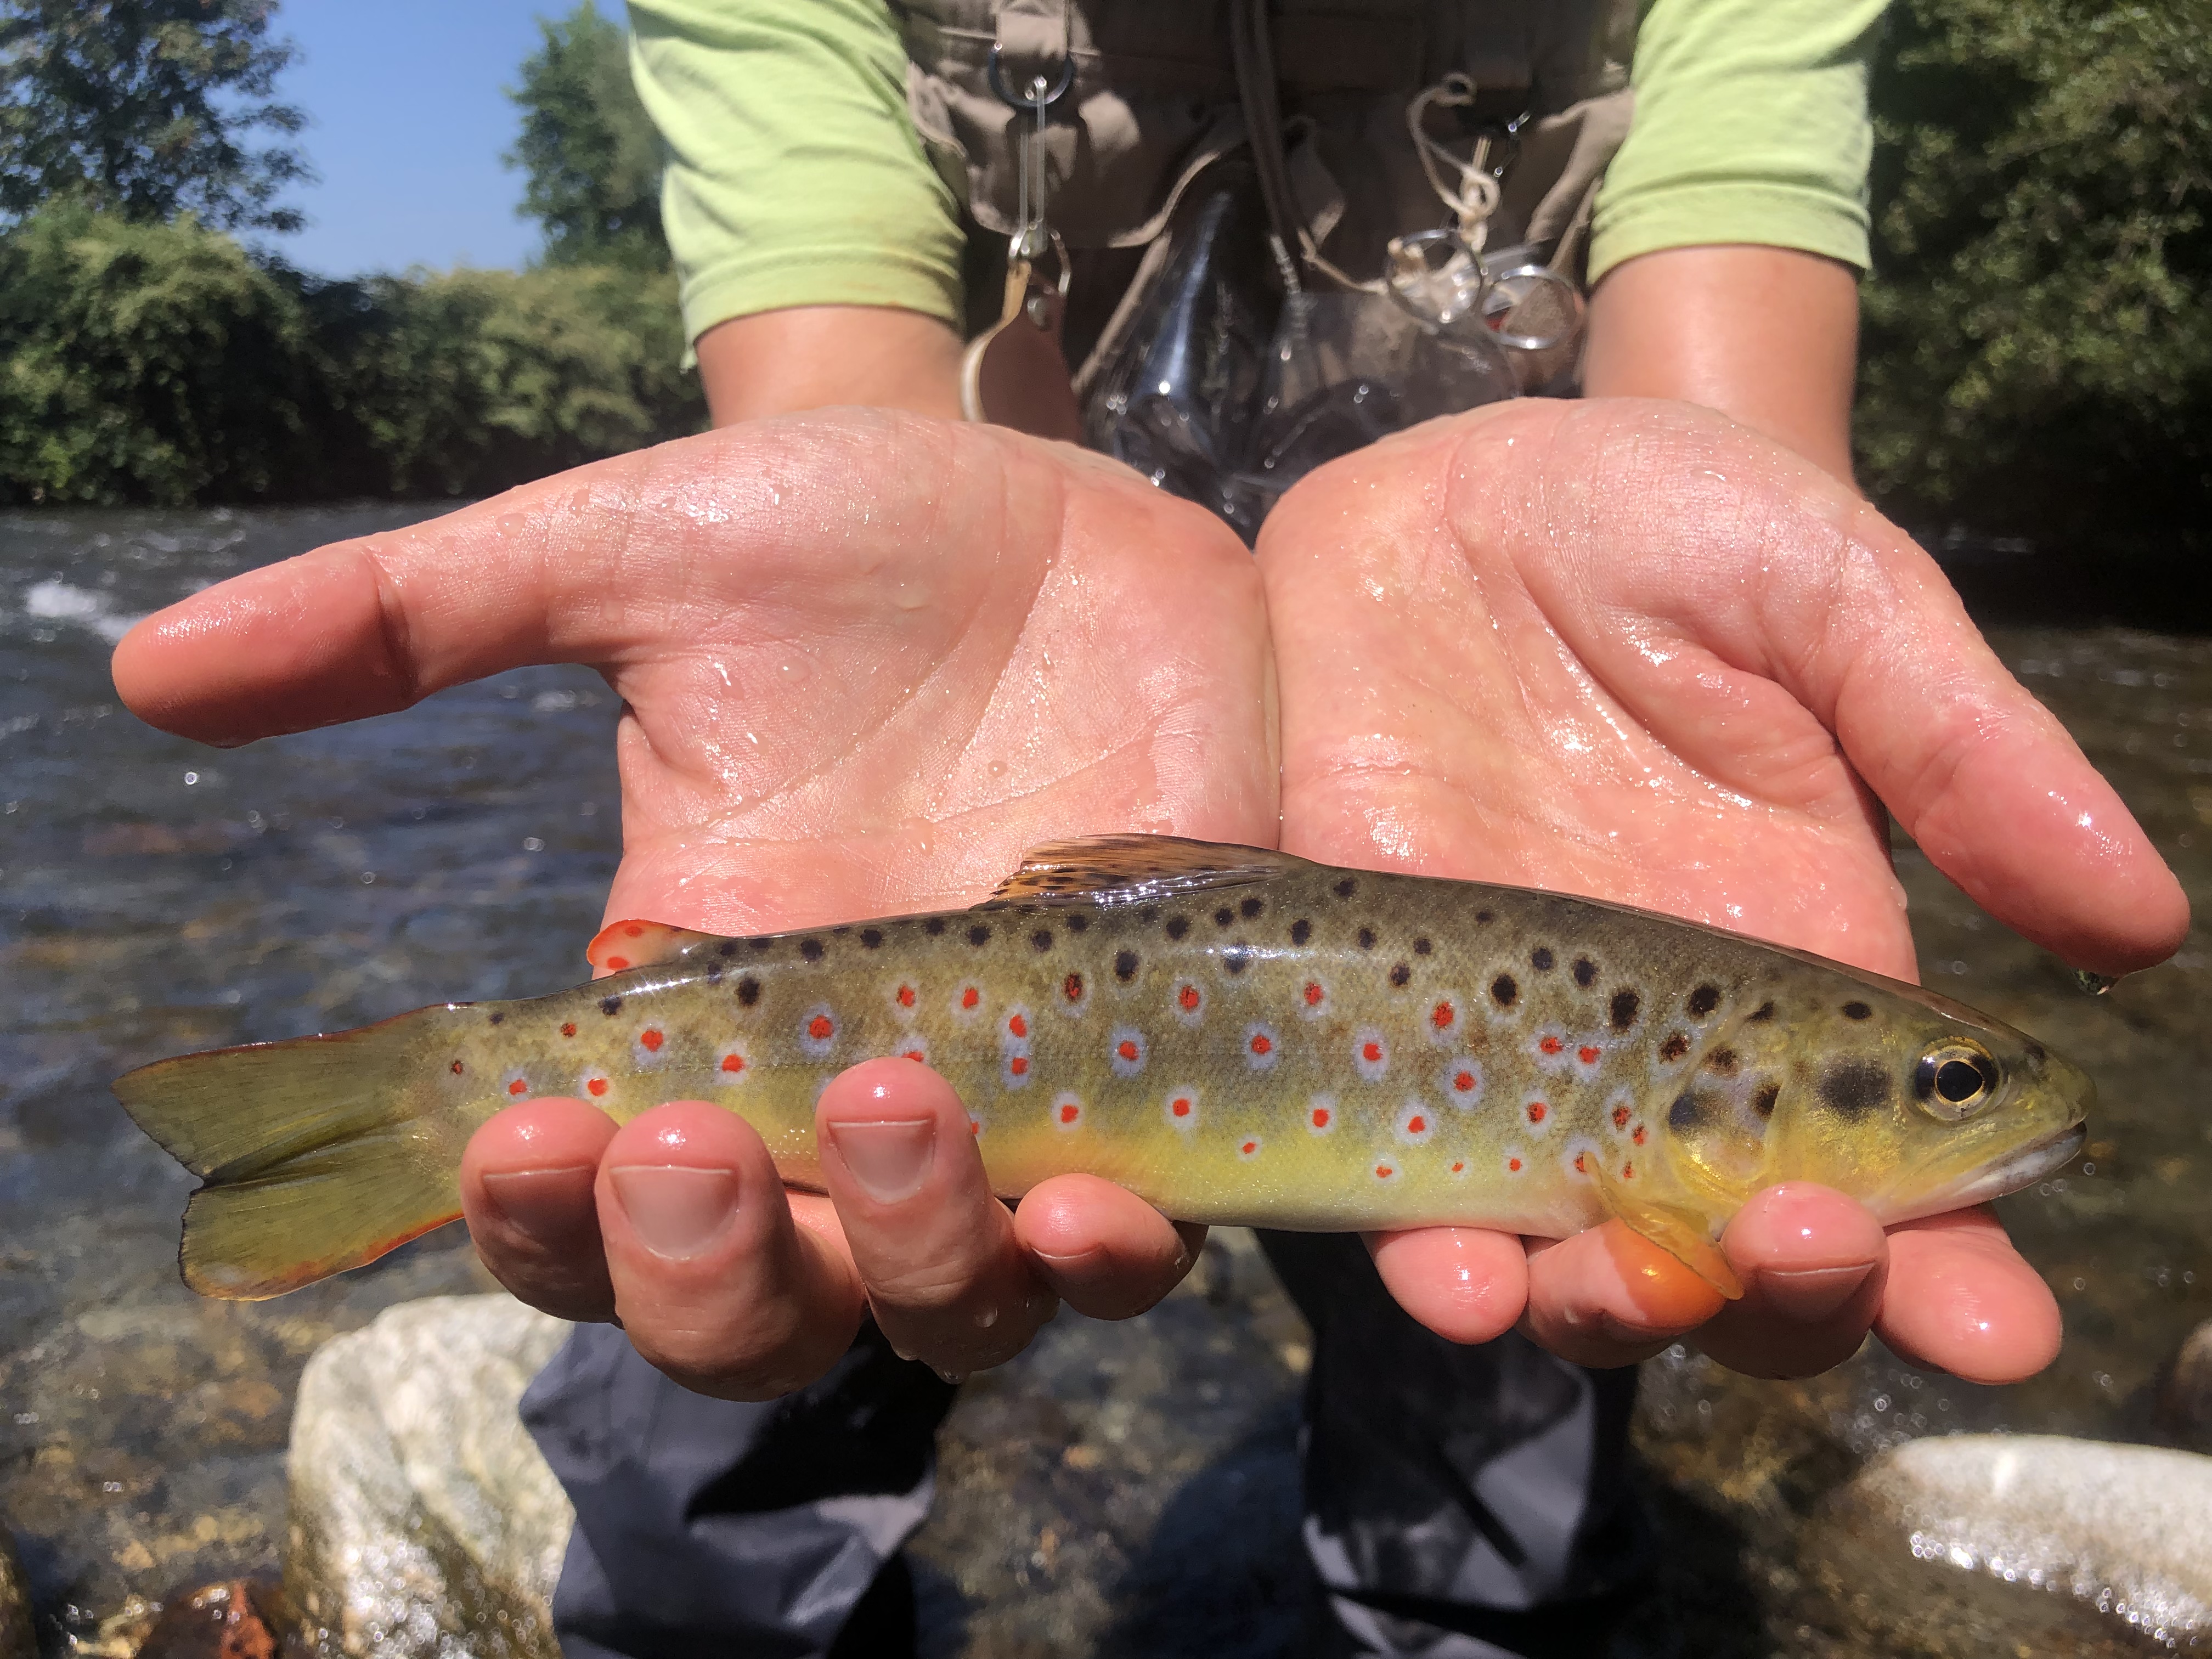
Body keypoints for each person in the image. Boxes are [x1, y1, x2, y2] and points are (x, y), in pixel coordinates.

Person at [104, 7, 2192, 1657]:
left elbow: (1719, 394)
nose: (1983, 1101)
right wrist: (872, 580)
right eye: (1938, 1086)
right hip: (983, 699)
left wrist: (1691, 589)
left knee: (1500, 1461)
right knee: (726, 1380)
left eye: (1942, 1082)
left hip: (1499, 725)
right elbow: (835, 374)